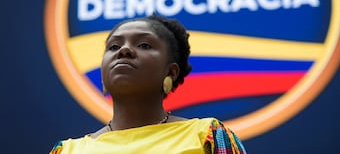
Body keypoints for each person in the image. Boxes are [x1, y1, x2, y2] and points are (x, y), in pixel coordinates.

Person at [50, 13, 247, 154]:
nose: (124, 51)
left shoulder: (207, 136)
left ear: (171, 71)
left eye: (144, 45)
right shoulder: (67, 150)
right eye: (114, 46)